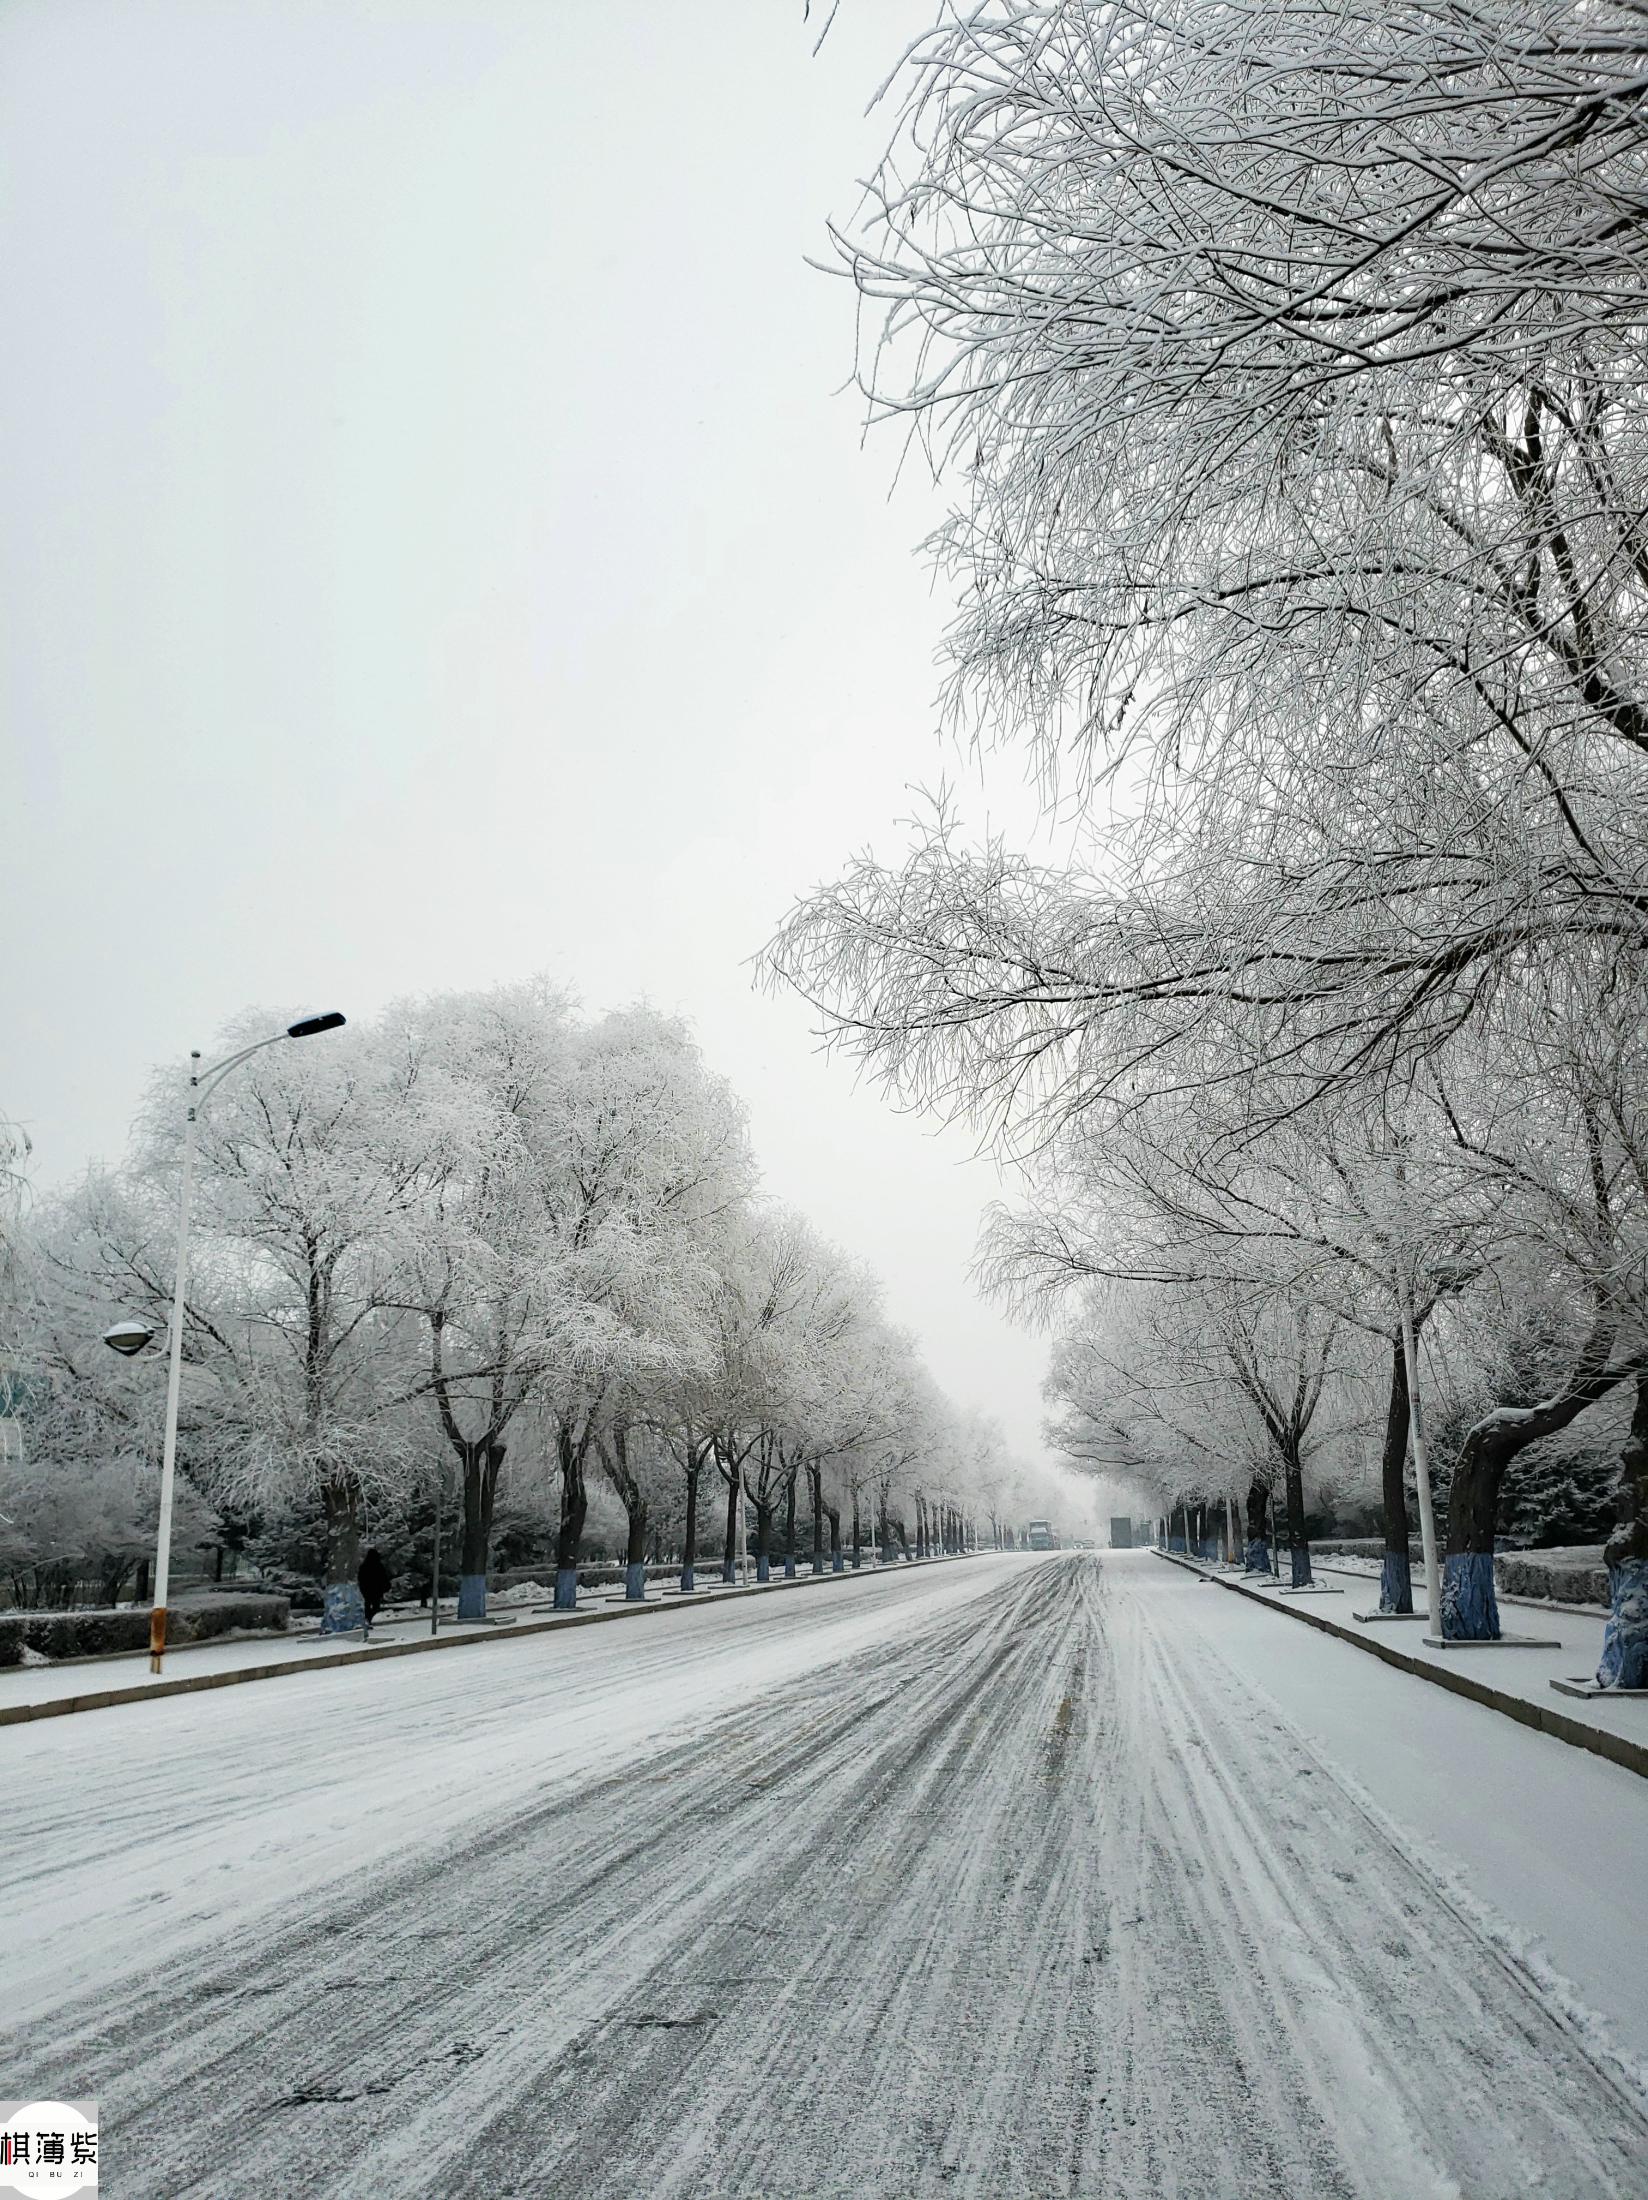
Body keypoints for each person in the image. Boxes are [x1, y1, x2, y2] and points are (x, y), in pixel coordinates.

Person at [357, 1546, 392, 1635]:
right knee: (376, 1606)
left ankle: (366, 1620)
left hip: (367, 1590)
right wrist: (386, 1586)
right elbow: (384, 1577)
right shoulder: (378, 1565)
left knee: (368, 1606)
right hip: (375, 1590)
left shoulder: (364, 1566)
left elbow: (360, 1578)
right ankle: (367, 1620)